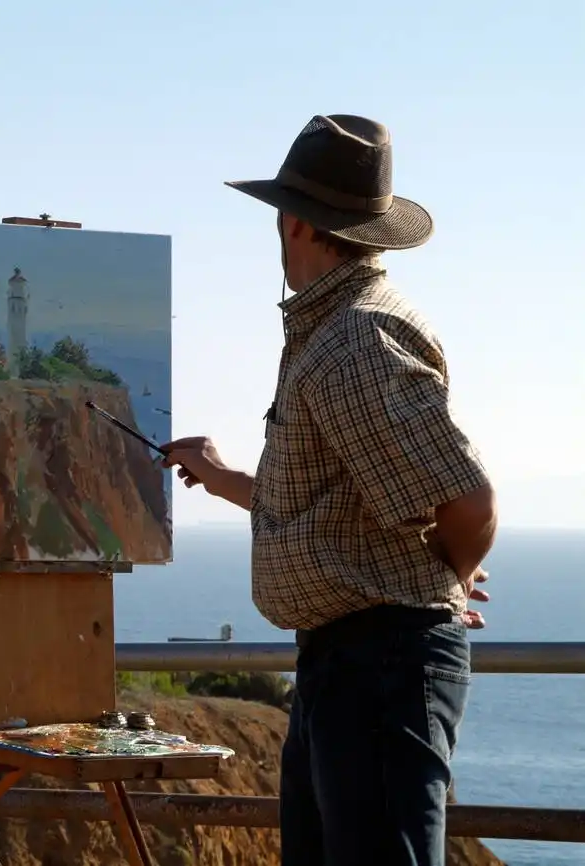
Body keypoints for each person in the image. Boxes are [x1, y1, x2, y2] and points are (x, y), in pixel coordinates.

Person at [161, 114, 498, 866]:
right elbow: (342, 511)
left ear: (297, 223)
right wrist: (223, 480)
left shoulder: (354, 338)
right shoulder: (334, 332)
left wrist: (439, 581)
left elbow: (469, 505)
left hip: (379, 669)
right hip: (348, 667)